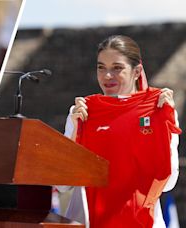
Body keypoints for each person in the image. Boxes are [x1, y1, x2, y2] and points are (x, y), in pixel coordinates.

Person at [60, 35, 180, 227]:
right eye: (101, 67)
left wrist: (165, 121)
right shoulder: (84, 112)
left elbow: (168, 181)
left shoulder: (159, 109)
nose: (107, 76)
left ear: (136, 71)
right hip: (90, 221)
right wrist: (75, 131)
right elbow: (62, 184)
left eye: (117, 68)